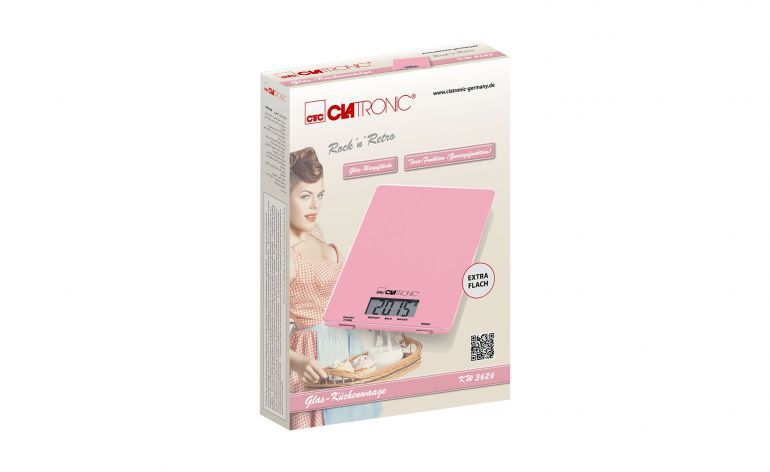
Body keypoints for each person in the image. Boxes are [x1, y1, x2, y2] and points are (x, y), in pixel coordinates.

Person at [286, 147, 382, 429]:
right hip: (314, 352)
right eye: (305, 196)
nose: (315, 206)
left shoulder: (315, 231)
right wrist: (298, 363)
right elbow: (263, 335)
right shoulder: (284, 256)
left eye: (320, 195)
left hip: (348, 344)